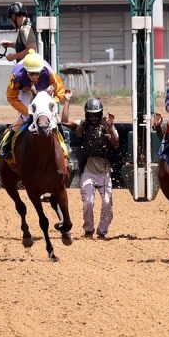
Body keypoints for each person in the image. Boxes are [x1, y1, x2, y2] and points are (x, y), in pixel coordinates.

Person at [62, 96, 119, 239]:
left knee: (107, 202)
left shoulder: (107, 126)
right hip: (88, 170)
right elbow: (64, 121)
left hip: (104, 171)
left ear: (100, 113)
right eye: (90, 114)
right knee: (88, 201)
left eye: (96, 114)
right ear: (86, 114)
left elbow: (116, 143)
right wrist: (67, 101)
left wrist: (111, 127)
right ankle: (88, 230)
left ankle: (102, 231)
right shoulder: (82, 125)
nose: (93, 117)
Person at [0, 49, 68, 160]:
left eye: (37, 73)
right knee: (26, 116)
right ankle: (6, 146)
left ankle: (65, 142)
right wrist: (27, 112)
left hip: (44, 89)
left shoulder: (49, 72)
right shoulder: (17, 76)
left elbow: (60, 91)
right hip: (24, 90)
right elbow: (11, 98)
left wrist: (51, 103)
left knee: (53, 114)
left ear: (41, 70)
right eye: (31, 74)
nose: (34, 77)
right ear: (25, 71)